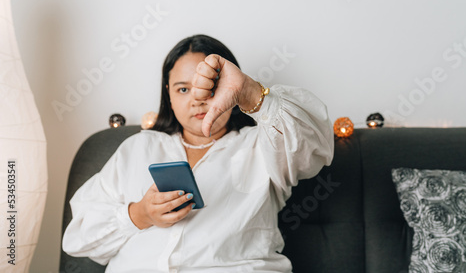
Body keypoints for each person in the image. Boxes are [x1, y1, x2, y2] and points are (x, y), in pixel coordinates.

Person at [62, 34, 334, 272]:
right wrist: (140, 214)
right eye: (183, 89)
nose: (198, 99)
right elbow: (79, 237)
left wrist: (251, 93)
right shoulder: (137, 148)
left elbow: (315, 146)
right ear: (168, 94)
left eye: (210, 87)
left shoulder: (263, 144)